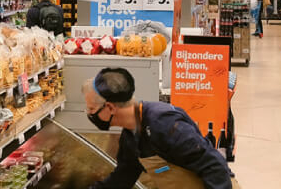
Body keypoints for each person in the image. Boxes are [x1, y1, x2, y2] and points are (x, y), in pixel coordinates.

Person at [84, 67, 234, 189]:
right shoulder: (130, 136)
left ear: (110, 107)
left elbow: (215, 167)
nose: (89, 114)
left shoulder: (163, 124)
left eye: (91, 109)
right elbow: (122, 179)